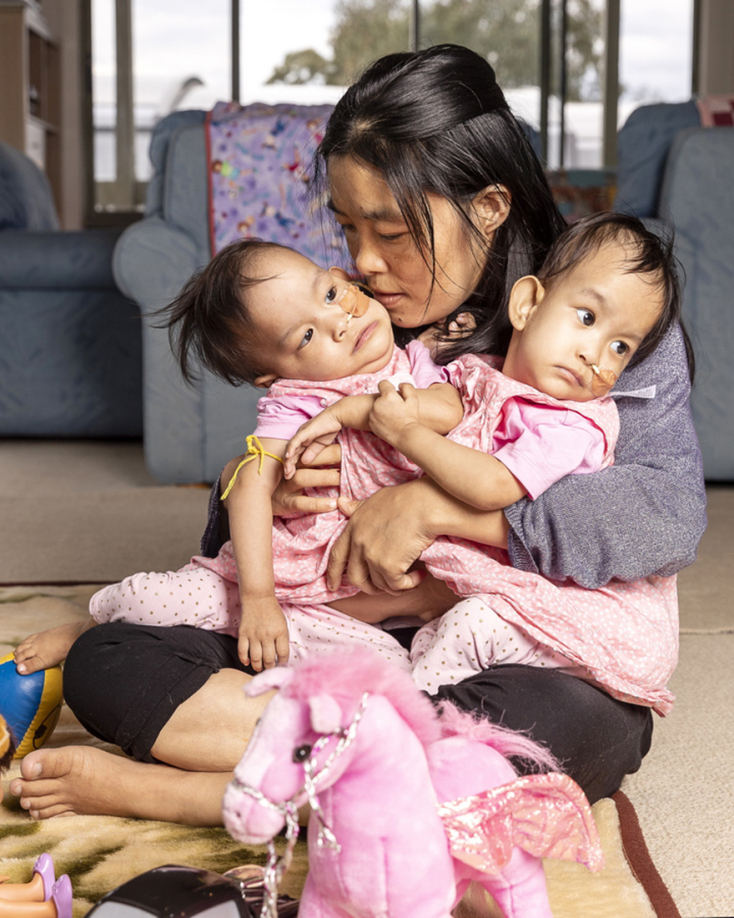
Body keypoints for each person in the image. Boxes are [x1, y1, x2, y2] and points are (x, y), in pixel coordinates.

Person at [10, 45, 705, 825]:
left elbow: (666, 516)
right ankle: (386, 780)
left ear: (488, 207)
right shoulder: (352, 323)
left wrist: (436, 509)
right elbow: (257, 520)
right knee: (110, 658)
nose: (365, 265)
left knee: (577, 729)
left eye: (393, 232)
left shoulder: (603, 313)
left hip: (506, 646)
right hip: (344, 634)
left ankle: (205, 793)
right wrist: (272, 488)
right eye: (347, 229)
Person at [21, 212, 679, 717]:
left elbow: (454, 412)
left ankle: (347, 744)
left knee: (410, 680)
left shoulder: (427, 361)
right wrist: (258, 589)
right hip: (293, 575)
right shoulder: (296, 400)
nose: (341, 318)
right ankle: (98, 625)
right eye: (308, 333)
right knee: (156, 613)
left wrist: (379, 418)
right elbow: (249, 485)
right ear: (274, 373)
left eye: (333, 292)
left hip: (367, 605)